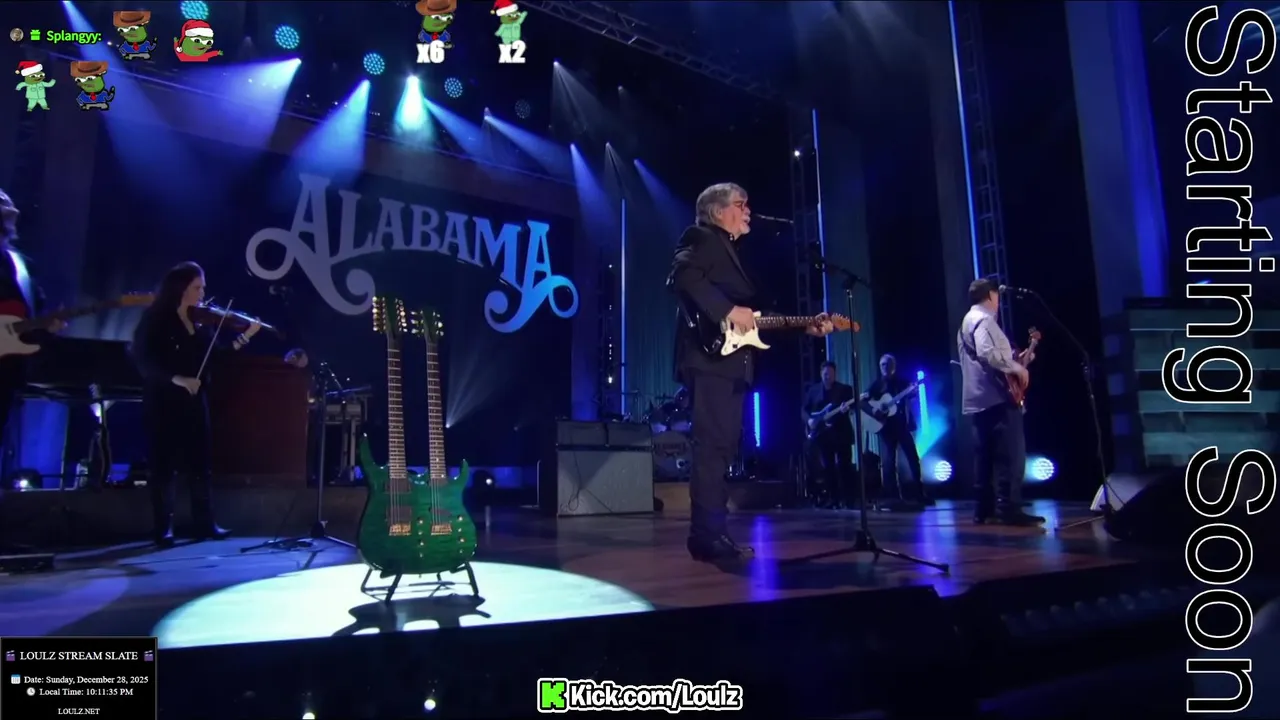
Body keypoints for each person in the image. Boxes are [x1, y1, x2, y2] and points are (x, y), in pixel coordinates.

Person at [670, 182, 833, 563]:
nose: (748, 211)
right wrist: (726, 311)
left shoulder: (729, 252)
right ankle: (706, 536)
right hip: (709, 360)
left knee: (722, 447)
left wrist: (805, 325)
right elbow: (682, 275)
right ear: (717, 211)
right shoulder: (702, 237)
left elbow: (753, 318)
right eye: (741, 204)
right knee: (712, 448)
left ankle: (712, 533)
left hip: (729, 362)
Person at [130, 262, 262, 547]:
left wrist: (245, 336)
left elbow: (217, 357)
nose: (202, 293)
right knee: (163, 465)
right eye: (197, 287)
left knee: (200, 463)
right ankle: (163, 527)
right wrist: (177, 379)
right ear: (181, 288)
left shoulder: (201, 323)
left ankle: (205, 523)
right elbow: (144, 359)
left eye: (203, 288)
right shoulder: (156, 319)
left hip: (193, 400)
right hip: (163, 399)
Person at [957, 278, 1043, 526]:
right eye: (997, 296)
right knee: (1010, 455)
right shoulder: (983, 320)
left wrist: (1018, 360)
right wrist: (1018, 368)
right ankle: (1008, 507)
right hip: (997, 397)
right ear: (991, 296)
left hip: (979, 397)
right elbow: (987, 353)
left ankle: (983, 509)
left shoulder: (967, 321)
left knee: (985, 456)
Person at [0, 189, 65, 467]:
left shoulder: (21, 265)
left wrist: (48, 326)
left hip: (7, 368)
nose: (10, 220)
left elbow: (31, 314)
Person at [861, 354, 930, 511]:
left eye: (888, 364)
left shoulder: (902, 383)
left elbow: (911, 396)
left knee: (913, 458)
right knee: (889, 462)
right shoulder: (876, 385)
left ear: (894, 366)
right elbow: (862, 402)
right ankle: (892, 496)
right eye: (883, 364)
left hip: (902, 425)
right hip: (886, 428)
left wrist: (913, 392)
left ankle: (919, 493)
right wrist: (874, 411)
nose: (885, 367)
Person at [802, 361, 854, 508]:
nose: (828, 376)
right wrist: (809, 420)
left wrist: (846, 409)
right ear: (821, 374)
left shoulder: (845, 390)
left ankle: (848, 499)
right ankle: (833, 498)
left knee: (845, 467)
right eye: (825, 374)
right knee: (828, 467)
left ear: (834, 374)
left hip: (841, 433)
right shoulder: (813, 390)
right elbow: (804, 409)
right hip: (823, 435)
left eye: (830, 374)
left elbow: (853, 405)